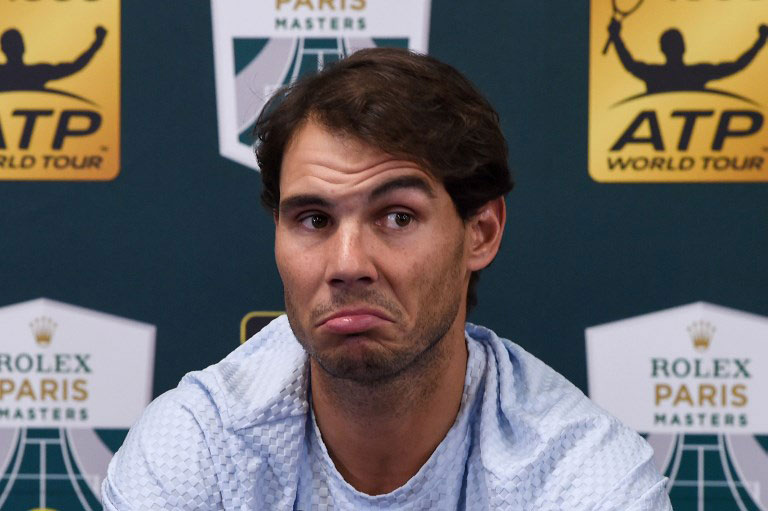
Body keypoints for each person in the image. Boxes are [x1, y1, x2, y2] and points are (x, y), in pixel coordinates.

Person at [102, 48, 672, 510]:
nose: (348, 263)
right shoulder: (198, 446)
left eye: (397, 216)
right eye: (314, 219)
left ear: (482, 232)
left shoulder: (581, 475)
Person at [608, 19, 768, 94]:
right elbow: (736, 66)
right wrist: (760, 42)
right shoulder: (696, 73)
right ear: (684, 47)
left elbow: (629, 64)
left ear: (662, 49)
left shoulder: (654, 74)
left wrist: (616, 36)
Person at [0, 26, 107, 92]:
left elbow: (74, 67)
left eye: (17, 43)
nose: (16, 47)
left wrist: (97, 44)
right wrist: (97, 43)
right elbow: (75, 66)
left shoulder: (36, 72)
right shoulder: (35, 73)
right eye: (13, 44)